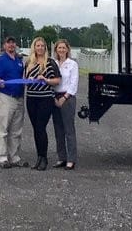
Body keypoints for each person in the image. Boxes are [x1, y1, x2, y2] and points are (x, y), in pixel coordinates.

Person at [24, 36, 61, 171]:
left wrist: (45, 80)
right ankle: (39, 157)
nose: (39, 48)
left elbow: (57, 80)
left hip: (45, 98)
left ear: (45, 48)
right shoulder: (29, 63)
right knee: (35, 129)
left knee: (41, 127)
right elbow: (24, 80)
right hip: (31, 98)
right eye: (37, 46)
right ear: (34, 47)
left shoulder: (50, 63)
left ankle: (44, 157)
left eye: (42, 46)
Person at [0, 36, 28, 169]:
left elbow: (23, 77)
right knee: (2, 128)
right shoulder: (0, 60)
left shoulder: (19, 61)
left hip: (19, 97)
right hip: (5, 97)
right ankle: (2, 157)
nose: (11, 45)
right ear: (4, 45)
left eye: (13, 43)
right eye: (9, 43)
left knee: (16, 130)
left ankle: (14, 157)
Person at [52, 38, 79, 170]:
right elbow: (51, 81)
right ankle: (61, 157)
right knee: (58, 129)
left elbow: (74, 83)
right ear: (56, 50)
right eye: (59, 48)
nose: (61, 50)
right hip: (55, 96)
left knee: (69, 129)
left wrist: (64, 97)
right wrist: (54, 97)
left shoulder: (72, 64)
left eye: (64, 48)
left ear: (67, 49)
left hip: (67, 97)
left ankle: (71, 159)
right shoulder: (53, 63)